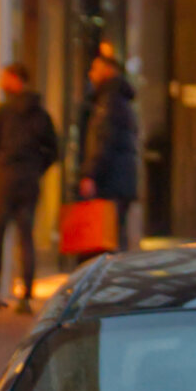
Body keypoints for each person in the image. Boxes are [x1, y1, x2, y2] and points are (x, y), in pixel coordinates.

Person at [0, 62, 57, 313]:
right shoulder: (40, 114)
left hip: (4, 179)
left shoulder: (1, 112)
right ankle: (26, 296)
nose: (1, 81)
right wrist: (36, 168)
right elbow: (54, 149)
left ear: (15, 79)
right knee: (26, 237)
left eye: (5, 77)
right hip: (29, 180)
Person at [76, 47, 140, 252]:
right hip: (119, 181)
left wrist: (90, 174)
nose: (90, 74)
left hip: (111, 182)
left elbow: (104, 141)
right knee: (113, 238)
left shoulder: (109, 102)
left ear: (108, 71)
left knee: (105, 243)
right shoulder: (118, 101)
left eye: (95, 69)